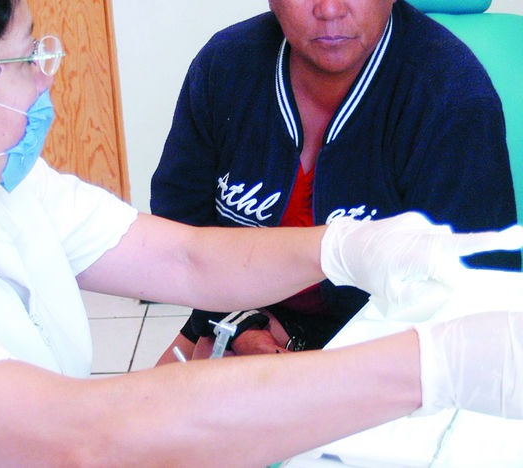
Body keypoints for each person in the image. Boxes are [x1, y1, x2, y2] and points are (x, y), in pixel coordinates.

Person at [0, 1, 522, 466]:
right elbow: (85, 435)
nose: (48, 79)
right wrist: (434, 367)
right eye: (28, 59)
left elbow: (182, 255)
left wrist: (344, 248)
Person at [151, 0, 521, 363]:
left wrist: (315, 367)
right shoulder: (225, 64)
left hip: (390, 342)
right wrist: (240, 324)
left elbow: (473, 295)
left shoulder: (451, 94)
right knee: (154, 399)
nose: (329, 10)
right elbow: (181, 227)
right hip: (245, 312)